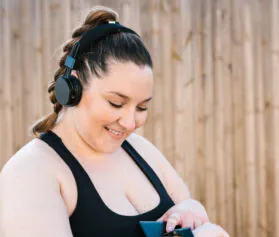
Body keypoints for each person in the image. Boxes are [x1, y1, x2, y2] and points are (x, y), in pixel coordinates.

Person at [0, 6, 229, 237]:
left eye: (142, 107)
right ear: (73, 87)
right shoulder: (31, 172)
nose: (130, 123)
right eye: (116, 103)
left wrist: (193, 212)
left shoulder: (142, 151)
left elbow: (190, 217)